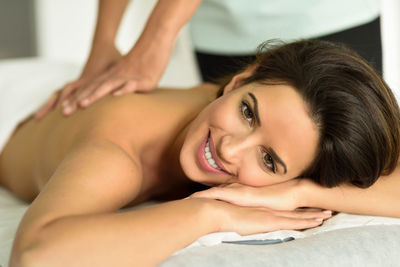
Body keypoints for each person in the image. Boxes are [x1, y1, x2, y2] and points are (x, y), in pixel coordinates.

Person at [1, 40, 400, 266]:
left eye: (268, 160)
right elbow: (37, 256)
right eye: (247, 112)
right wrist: (210, 213)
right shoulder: (116, 157)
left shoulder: (291, 131)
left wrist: (299, 193)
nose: (229, 148)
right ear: (239, 81)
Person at [33, 0, 382, 119]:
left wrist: (155, 40)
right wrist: (103, 42)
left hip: (328, 15)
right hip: (221, 28)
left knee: (347, 169)